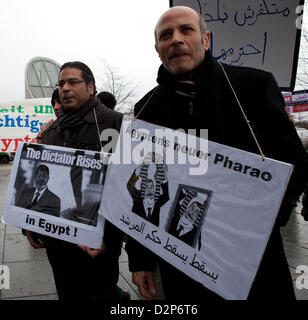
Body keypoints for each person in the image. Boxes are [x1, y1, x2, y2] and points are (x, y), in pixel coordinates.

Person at [126, 6, 308, 300]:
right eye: (166, 35)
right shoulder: (146, 108)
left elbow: (296, 161)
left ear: (206, 39)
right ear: (157, 49)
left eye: (186, 30)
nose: (176, 39)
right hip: (181, 262)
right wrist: (140, 259)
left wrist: (270, 216)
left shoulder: (253, 86)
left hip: (252, 259)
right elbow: (144, 187)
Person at [23, 61, 128, 301]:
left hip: (98, 248)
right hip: (58, 247)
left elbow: (128, 188)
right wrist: (29, 223)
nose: (65, 88)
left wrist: (106, 236)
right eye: (61, 84)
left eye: (73, 82)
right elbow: (37, 184)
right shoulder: (50, 133)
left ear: (90, 87)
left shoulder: (116, 125)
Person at [127, 162, 169, 227]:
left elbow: (166, 196)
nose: (149, 190)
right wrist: (137, 171)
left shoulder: (157, 205)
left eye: (151, 187)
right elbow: (130, 186)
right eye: (147, 187)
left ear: (154, 190)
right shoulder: (137, 200)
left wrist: (164, 175)